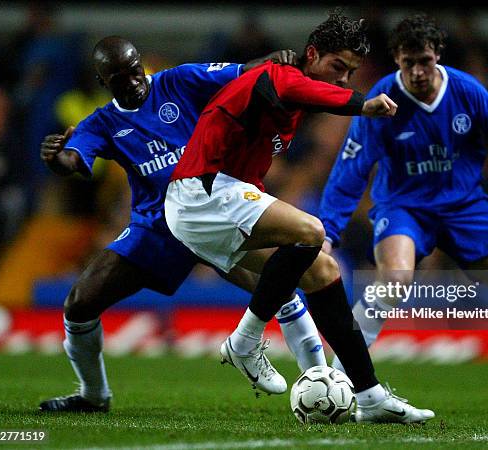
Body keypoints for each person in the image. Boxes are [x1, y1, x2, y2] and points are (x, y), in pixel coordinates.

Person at [166, 10, 435, 424]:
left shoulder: (289, 101)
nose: (343, 79)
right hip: (201, 192)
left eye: (350, 72)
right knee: (312, 230)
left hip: (215, 205)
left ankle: (370, 394)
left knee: (322, 269)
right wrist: (364, 104)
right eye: (337, 67)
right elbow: (308, 92)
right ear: (312, 54)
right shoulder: (278, 74)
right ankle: (245, 340)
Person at [38, 36, 327, 412]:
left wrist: (275, 59)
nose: (133, 79)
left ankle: (322, 381)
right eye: (120, 76)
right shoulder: (103, 122)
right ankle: (94, 395)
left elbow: (243, 72)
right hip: (156, 228)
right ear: (103, 82)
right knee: (79, 304)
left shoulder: (178, 81)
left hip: (210, 214)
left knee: (279, 285)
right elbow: (75, 161)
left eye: (134, 68)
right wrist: (55, 159)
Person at [318, 13, 488, 420]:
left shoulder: (468, 92)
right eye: (408, 62)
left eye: (425, 61)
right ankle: (339, 383)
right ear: (397, 59)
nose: (417, 71)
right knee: (393, 279)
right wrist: (328, 230)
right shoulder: (383, 98)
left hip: (464, 206)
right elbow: (352, 167)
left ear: (438, 57)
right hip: (403, 206)